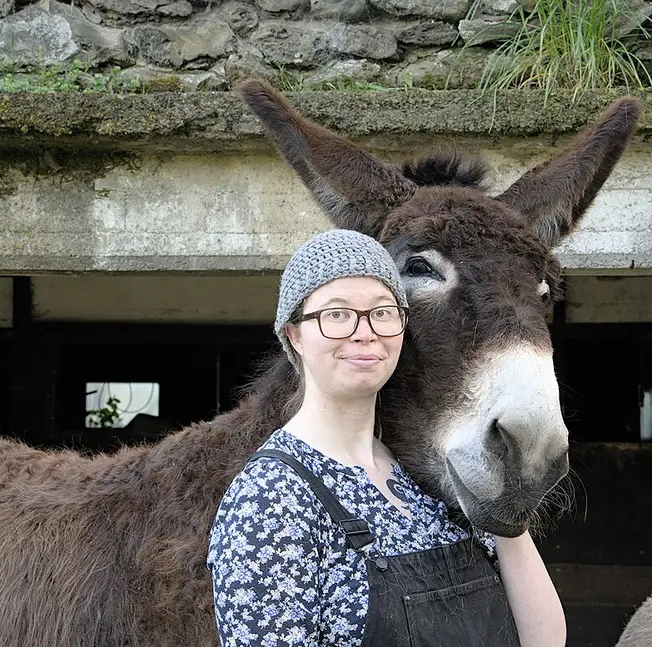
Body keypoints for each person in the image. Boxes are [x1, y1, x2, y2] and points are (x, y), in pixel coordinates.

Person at [207, 229, 566, 647]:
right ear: (294, 334)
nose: (365, 332)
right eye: (337, 314)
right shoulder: (271, 499)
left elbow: (543, 640)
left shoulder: (434, 475)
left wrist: (507, 509)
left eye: (382, 312)